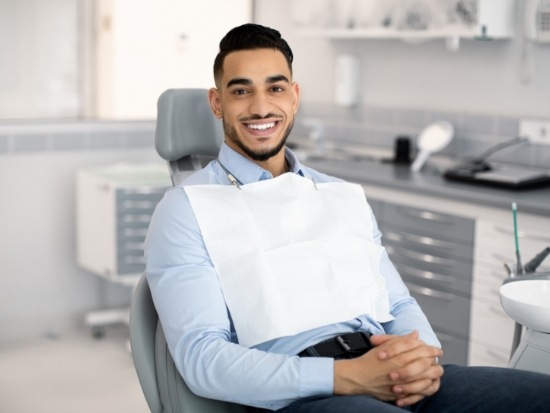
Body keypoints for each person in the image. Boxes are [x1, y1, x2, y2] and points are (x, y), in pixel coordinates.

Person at [145, 23, 550, 413]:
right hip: (309, 395)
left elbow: (397, 302)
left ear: (295, 96)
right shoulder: (187, 209)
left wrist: (421, 360)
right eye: (241, 91)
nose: (261, 106)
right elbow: (203, 359)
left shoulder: (339, 194)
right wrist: (345, 377)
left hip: (392, 372)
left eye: (275, 87)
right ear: (218, 103)